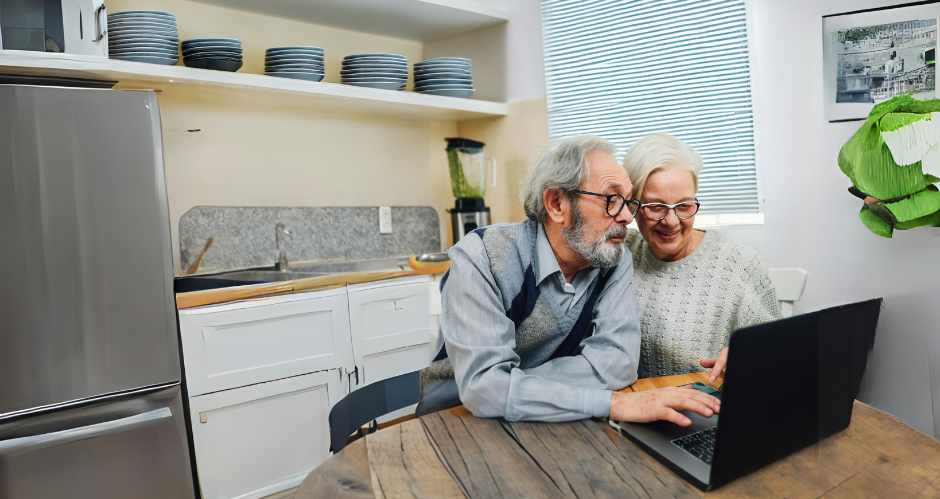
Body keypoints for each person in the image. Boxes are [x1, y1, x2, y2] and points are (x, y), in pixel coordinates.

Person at [416, 135, 720, 426]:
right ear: (557, 204)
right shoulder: (480, 256)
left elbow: (618, 365)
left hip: (551, 422)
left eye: (629, 202)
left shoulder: (613, 260)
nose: (627, 217)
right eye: (612, 199)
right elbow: (482, 392)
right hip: (454, 422)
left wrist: (510, 386)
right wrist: (612, 404)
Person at [620, 134, 782, 381]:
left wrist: (750, 354)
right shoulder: (620, 251)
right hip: (633, 406)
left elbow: (779, 350)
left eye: (684, 206)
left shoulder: (739, 263)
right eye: (655, 207)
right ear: (632, 206)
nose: (671, 221)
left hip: (709, 409)